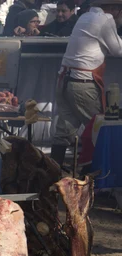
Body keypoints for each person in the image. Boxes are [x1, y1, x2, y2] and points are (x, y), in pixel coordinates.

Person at [51, 0, 122, 166]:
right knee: (99, 130)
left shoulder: (86, 16)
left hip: (64, 80)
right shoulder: (106, 19)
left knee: (63, 132)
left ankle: (51, 175)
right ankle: (93, 177)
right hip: (82, 83)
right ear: (114, 8)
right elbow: (118, 50)